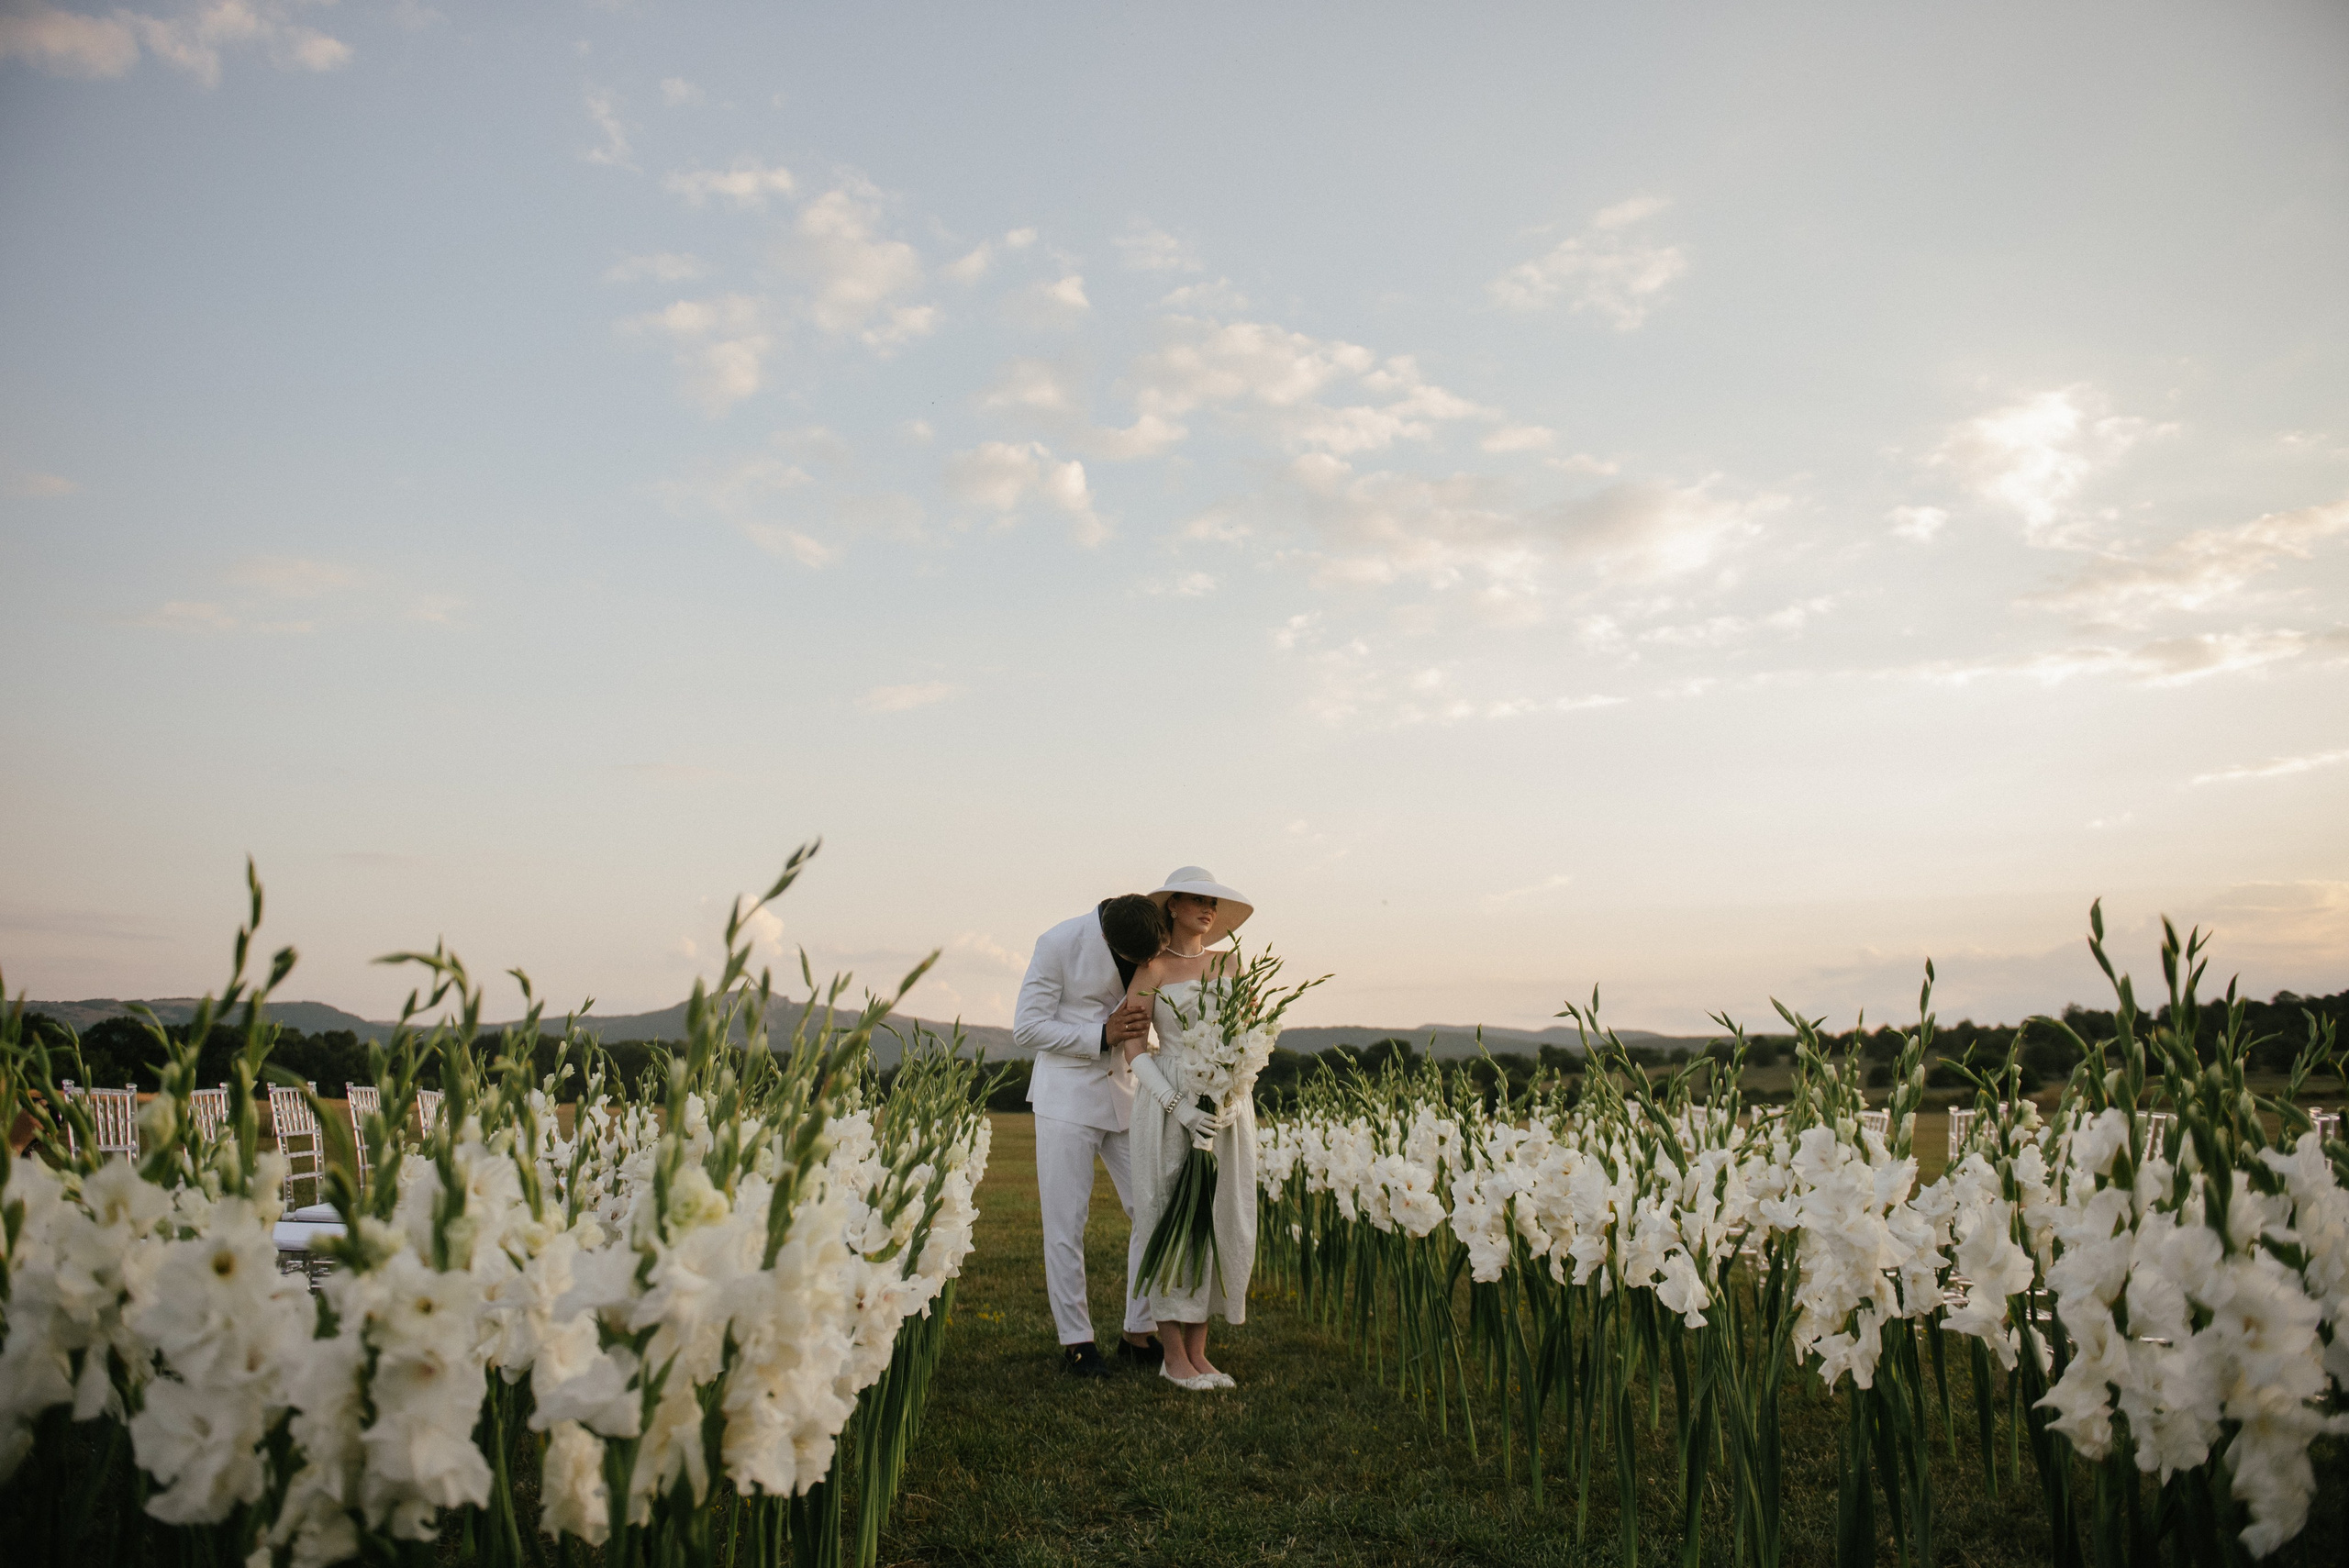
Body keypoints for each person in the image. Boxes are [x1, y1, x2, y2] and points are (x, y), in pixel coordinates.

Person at [1013, 891, 1170, 1377]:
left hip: (1127, 1096)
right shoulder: (1057, 942)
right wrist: (1101, 1035)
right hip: (1066, 1100)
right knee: (1066, 1224)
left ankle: (1137, 1331)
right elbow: (1026, 1029)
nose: (1147, 962)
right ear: (1105, 935)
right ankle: (1077, 1343)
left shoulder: (1145, 930)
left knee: (1152, 1208)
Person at [1121, 866, 1259, 1390]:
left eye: (1214, 902)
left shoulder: (1233, 963)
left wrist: (1235, 1087)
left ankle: (1200, 1354)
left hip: (1227, 1102)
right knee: (1166, 1215)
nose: (1209, 910)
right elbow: (1135, 1048)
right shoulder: (1150, 969)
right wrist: (1177, 1105)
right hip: (1170, 1101)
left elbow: (1246, 1034)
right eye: (1198, 900)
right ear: (1172, 906)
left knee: (1220, 1214)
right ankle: (1172, 1356)